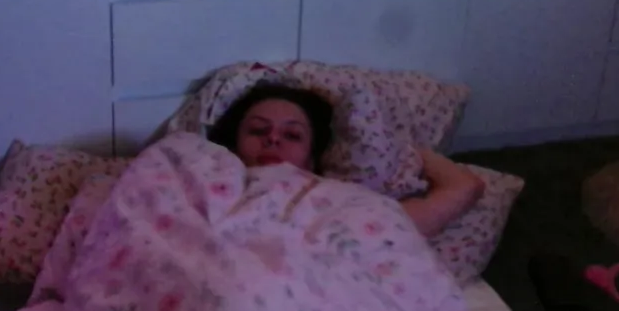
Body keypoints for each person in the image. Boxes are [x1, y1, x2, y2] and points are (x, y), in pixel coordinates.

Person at [208, 81, 485, 237]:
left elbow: (465, 187)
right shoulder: (203, 183)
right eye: (258, 130)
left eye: (292, 135)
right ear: (232, 144)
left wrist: (405, 149)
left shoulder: (343, 204)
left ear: (313, 158)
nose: (272, 139)